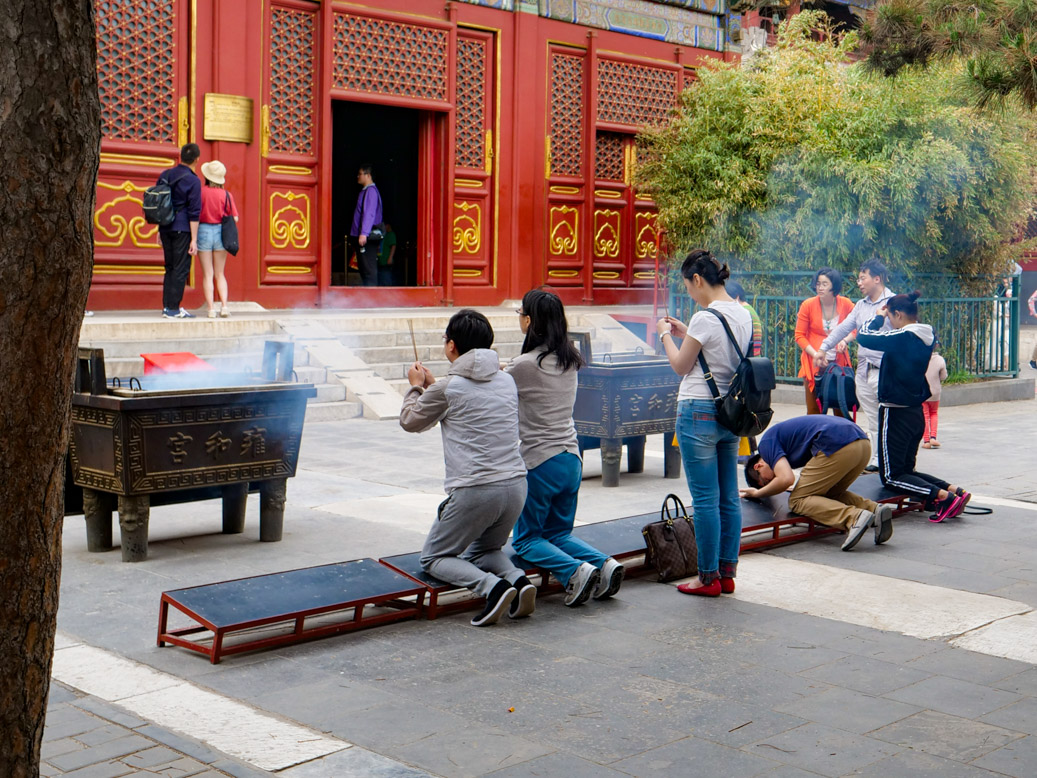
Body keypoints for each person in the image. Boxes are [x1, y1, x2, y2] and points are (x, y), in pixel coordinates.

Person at [399, 310, 536, 626]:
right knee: (484, 550)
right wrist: (435, 386)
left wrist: (416, 386)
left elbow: (410, 421)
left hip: (476, 490)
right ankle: (518, 580)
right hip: (516, 485)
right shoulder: (507, 380)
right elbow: (467, 397)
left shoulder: (446, 389)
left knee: (434, 557)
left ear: (451, 346)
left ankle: (492, 587)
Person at [506, 289, 625, 607]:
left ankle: (575, 573)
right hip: (571, 459)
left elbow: (496, 387)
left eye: (521, 313)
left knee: (527, 539)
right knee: (558, 534)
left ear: (529, 321)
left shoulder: (524, 365)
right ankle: (603, 563)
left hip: (540, 462)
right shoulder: (570, 359)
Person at [657, 250, 752, 597]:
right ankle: (727, 573)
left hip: (697, 411)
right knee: (728, 498)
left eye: (688, 287)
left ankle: (707, 577)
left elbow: (682, 366)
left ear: (697, 280)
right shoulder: (743, 314)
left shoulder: (704, 317)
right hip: (729, 413)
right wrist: (687, 331)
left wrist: (665, 335)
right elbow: (718, 354)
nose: (690, 294)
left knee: (706, 500)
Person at [857, 291, 971, 521]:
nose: (888, 322)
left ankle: (942, 497)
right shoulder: (926, 334)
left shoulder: (903, 337)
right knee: (906, 471)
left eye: (890, 316)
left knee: (891, 476)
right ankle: (954, 491)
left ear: (898, 314)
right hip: (915, 411)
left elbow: (864, 336)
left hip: (895, 412)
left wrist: (878, 317)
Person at [742, 416, 894, 551]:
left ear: (758, 466)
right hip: (862, 444)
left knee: (797, 500)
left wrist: (758, 492)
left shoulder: (766, 445)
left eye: (767, 481)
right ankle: (874, 510)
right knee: (828, 493)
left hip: (837, 445)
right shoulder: (783, 443)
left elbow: (786, 479)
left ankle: (853, 518)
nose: (773, 480)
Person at [815, 259, 895, 471]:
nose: (859, 282)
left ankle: (892, 460)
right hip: (863, 370)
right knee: (872, 417)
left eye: (863, 278)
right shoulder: (860, 306)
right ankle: (878, 459)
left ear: (877, 279)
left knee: (889, 417)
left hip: (885, 371)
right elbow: (843, 329)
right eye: (858, 278)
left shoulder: (894, 302)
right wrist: (823, 348)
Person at [795, 268, 855, 415]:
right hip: (814, 364)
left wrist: (845, 340)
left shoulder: (846, 304)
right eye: (818, 284)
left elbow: (856, 327)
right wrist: (815, 354)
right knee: (814, 411)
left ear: (834, 286)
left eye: (824, 284)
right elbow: (799, 335)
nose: (819, 287)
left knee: (841, 409)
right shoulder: (808, 305)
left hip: (838, 364)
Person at [157, 143, 202, 318]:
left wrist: (158, 231)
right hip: (182, 229)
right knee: (181, 268)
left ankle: (168, 306)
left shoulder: (165, 174)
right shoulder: (193, 180)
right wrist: (194, 239)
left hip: (165, 227)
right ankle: (173, 308)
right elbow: (194, 211)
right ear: (197, 159)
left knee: (169, 267)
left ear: (180, 157)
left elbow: (159, 205)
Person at [197, 160, 238, 318]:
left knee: (208, 273)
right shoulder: (227, 195)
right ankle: (225, 306)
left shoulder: (201, 192)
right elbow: (235, 218)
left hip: (204, 231)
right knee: (220, 273)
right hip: (221, 232)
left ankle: (211, 309)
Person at [348, 163, 383, 287]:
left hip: (367, 236)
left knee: (368, 269)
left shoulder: (371, 191)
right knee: (364, 268)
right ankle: (368, 297)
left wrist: (364, 233)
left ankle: (372, 298)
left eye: (360, 174)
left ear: (368, 175)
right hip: (363, 236)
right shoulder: (365, 191)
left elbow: (369, 214)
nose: (358, 176)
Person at [726, 281, 762, 357]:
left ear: (737, 297)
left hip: (748, 360)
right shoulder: (749, 309)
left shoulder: (743, 312)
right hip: (753, 358)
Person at [922, 345, 947, 449]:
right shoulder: (940, 359)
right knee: (934, 413)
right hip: (935, 393)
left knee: (925, 415)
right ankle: (933, 437)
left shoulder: (921, 358)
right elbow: (943, 376)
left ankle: (926, 441)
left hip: (923, 392)